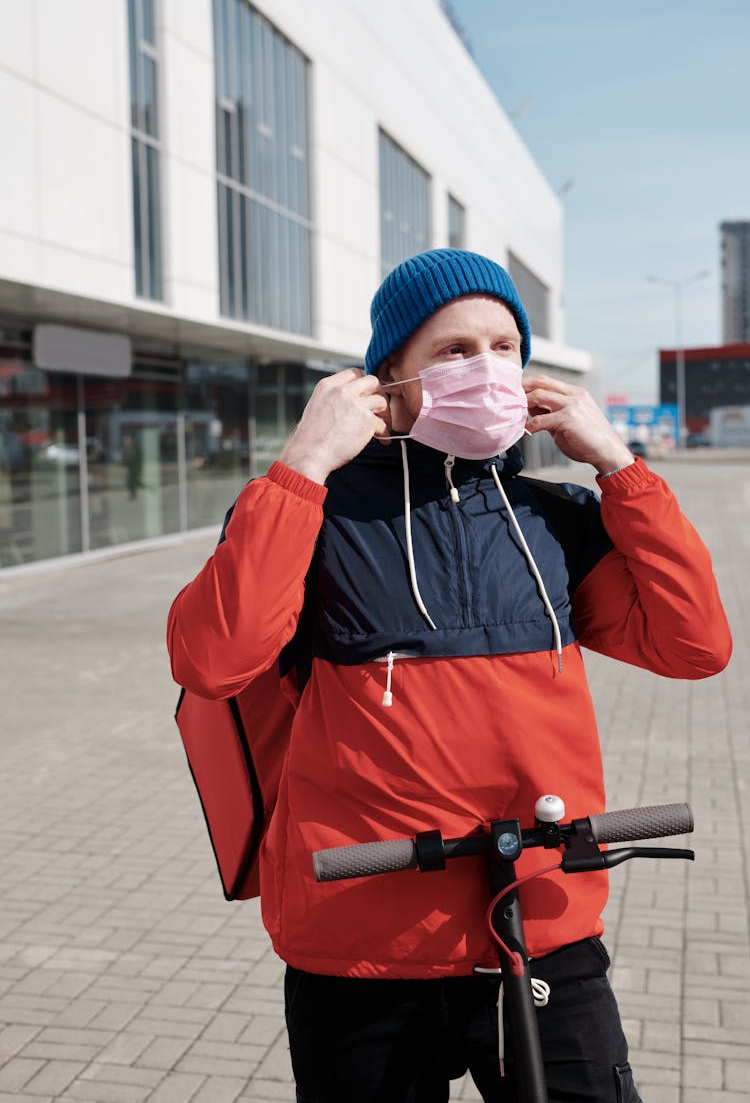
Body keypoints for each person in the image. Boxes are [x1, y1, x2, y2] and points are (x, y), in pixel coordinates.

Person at [167, 249, 731, 1102]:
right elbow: (211, 658)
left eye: (506, 347)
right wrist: (303, 465)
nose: (489, 370)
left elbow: (696, 644)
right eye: (455, 350)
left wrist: (619, 466)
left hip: (538, 922)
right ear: (387, 374)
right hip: (358, 941)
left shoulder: (556, 518)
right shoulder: (309, 513)